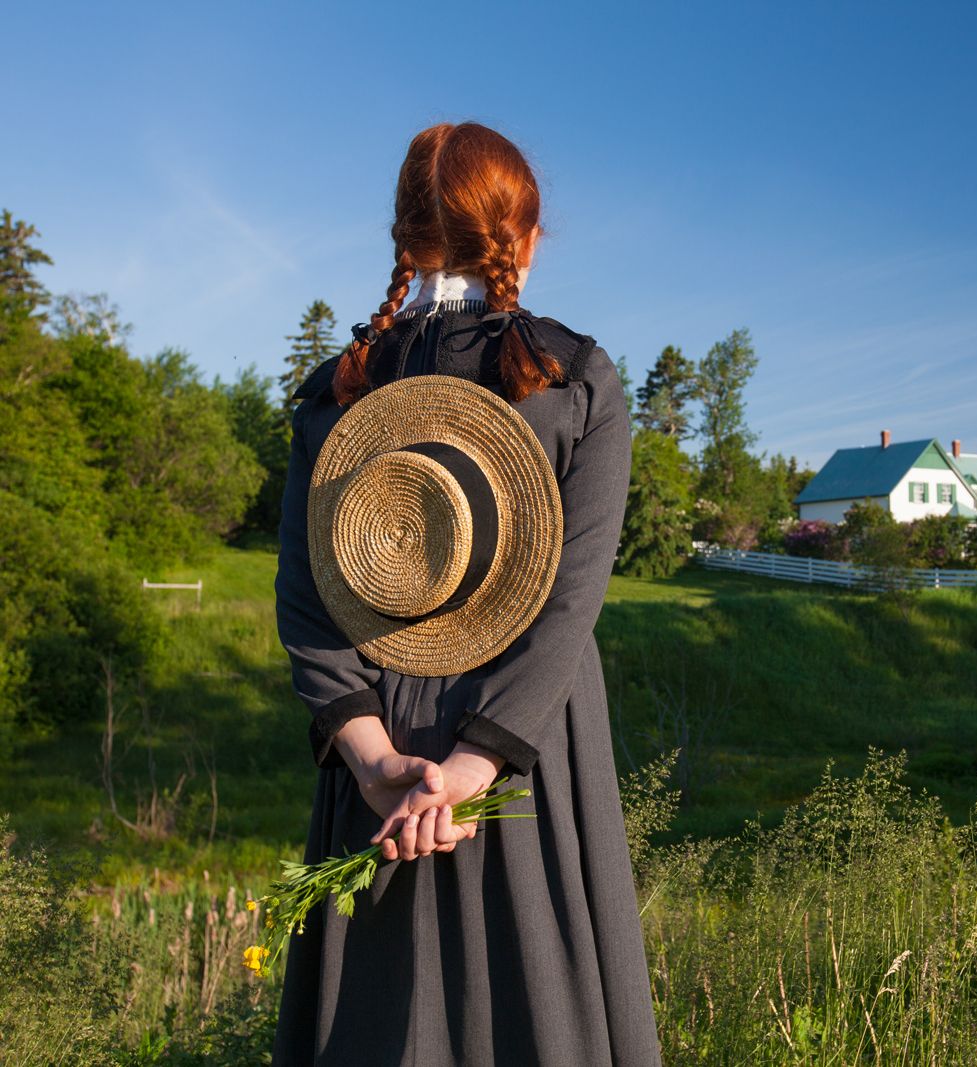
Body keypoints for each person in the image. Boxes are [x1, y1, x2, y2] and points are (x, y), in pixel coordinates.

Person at [272, 121, 660, 1065]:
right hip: (528, 744)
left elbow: (305, 601)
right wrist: (481, 762)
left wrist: (370, 758)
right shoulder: (575, 378)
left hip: (377, 748)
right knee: (541, 1012)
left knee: (373, 1015)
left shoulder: (336, 389)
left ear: (405, 238)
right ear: (522, 237)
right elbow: (570, 600)